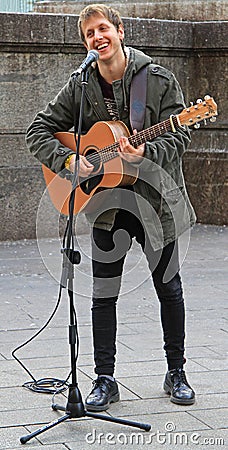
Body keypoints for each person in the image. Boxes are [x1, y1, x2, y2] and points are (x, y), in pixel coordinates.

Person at [26, 4, 196, 411]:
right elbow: (38, 129)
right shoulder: (80, 85)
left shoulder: (156, 80)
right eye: (89, 34)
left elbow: (181, 136)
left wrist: (145, 152)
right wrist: (70, 161)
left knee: (168, 288)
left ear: (120, 31)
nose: (97, 38)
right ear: (85, 43)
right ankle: (105, 379)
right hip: (105, 203)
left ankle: (177, 371)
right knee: (103, 294)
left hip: (157, 202)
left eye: (103, 29)